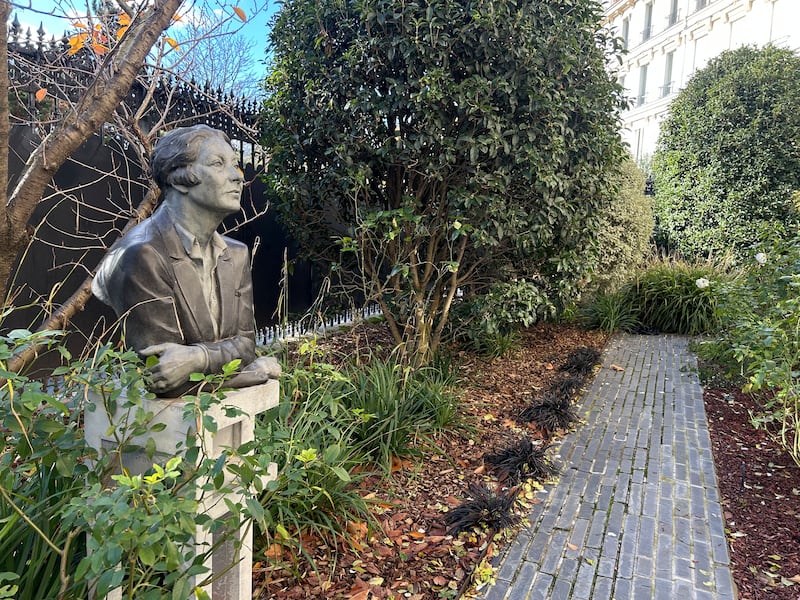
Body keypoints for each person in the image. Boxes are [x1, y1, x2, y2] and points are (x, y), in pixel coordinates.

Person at [92, 125, 279, 396]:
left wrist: (198, 358)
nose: (237, 177)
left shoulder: (235, 254)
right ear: (179, 178)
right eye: (218, 164)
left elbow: (246, 345)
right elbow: (165, 378)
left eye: (235, 165)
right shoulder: (141, 255)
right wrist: (253, 372)